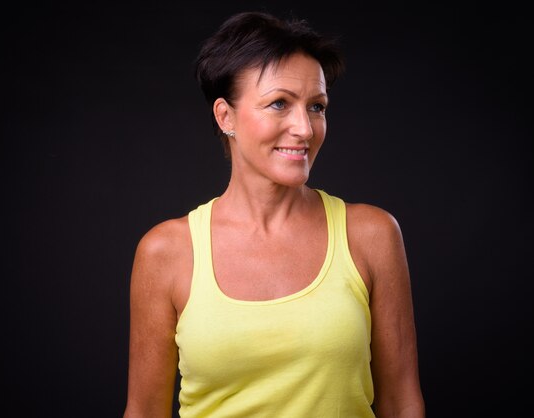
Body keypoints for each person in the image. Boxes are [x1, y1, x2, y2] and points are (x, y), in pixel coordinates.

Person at [124, 10, 425, 418]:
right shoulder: (166, 252)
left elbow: (402, 402)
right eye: (279, 103)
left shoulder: (371, 235)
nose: (304, 128)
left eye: (316, 107)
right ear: (225, 116)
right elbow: (144, 411)